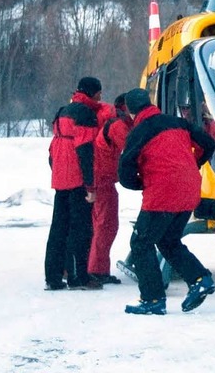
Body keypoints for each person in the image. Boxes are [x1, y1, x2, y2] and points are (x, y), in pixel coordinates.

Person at [118, 88, 215, 315]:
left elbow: (124, 171)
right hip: (190, 189)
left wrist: (140, 183)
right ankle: (200, 279)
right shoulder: (177, 122)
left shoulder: (139, 131)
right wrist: (193, 164)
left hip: (163, 193)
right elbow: (209, 144)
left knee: (141, 244)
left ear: (131, 112)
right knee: (168, 240)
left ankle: (152, 299)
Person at [44, 77, 110, 291]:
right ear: (91, 93)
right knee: (80, 229)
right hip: (78, 180)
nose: (100, 97)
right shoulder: (85, 114)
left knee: (58, 228)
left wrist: (57, 171)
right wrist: (90, 186)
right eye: (98, 93)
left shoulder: (63, 111)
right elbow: (85, 151)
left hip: (60, 179)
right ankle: (78, 277)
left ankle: (53, 276)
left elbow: (52, 151)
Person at [88, 93, 133, 285]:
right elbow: (133, 149)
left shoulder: (114, 122)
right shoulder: (117, 125)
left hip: (100, 179)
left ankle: (95, 268)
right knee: (106, 226)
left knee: (100, 226)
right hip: (103, 180)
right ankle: (97, 270)